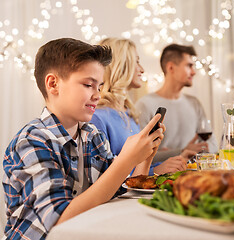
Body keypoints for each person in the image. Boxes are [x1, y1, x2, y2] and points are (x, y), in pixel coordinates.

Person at [2, 38, 165, 239]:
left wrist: (145, 155)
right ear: (53, 84)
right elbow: (58, 220)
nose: (97, 95)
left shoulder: (92, 136)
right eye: (88, 84)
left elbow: (121, 190)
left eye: (100, 86)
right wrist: (126, 160)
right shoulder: (32, 141)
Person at [90, 38, 188, 175]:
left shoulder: (128, 113)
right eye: (136, 61)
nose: (142, 69)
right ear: (122, 65)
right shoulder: (97, 117)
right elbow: (105, 177)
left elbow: (137, 165)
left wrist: (169, 164)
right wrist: (156, 170)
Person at [136, 43, 218, 162]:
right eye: (189, 66)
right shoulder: (145, 105)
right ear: (171, 68)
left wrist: (172, 152)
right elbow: (140, 156)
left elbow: (214, 145)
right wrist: (182, 151)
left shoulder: (194, 103)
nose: (194, 72)